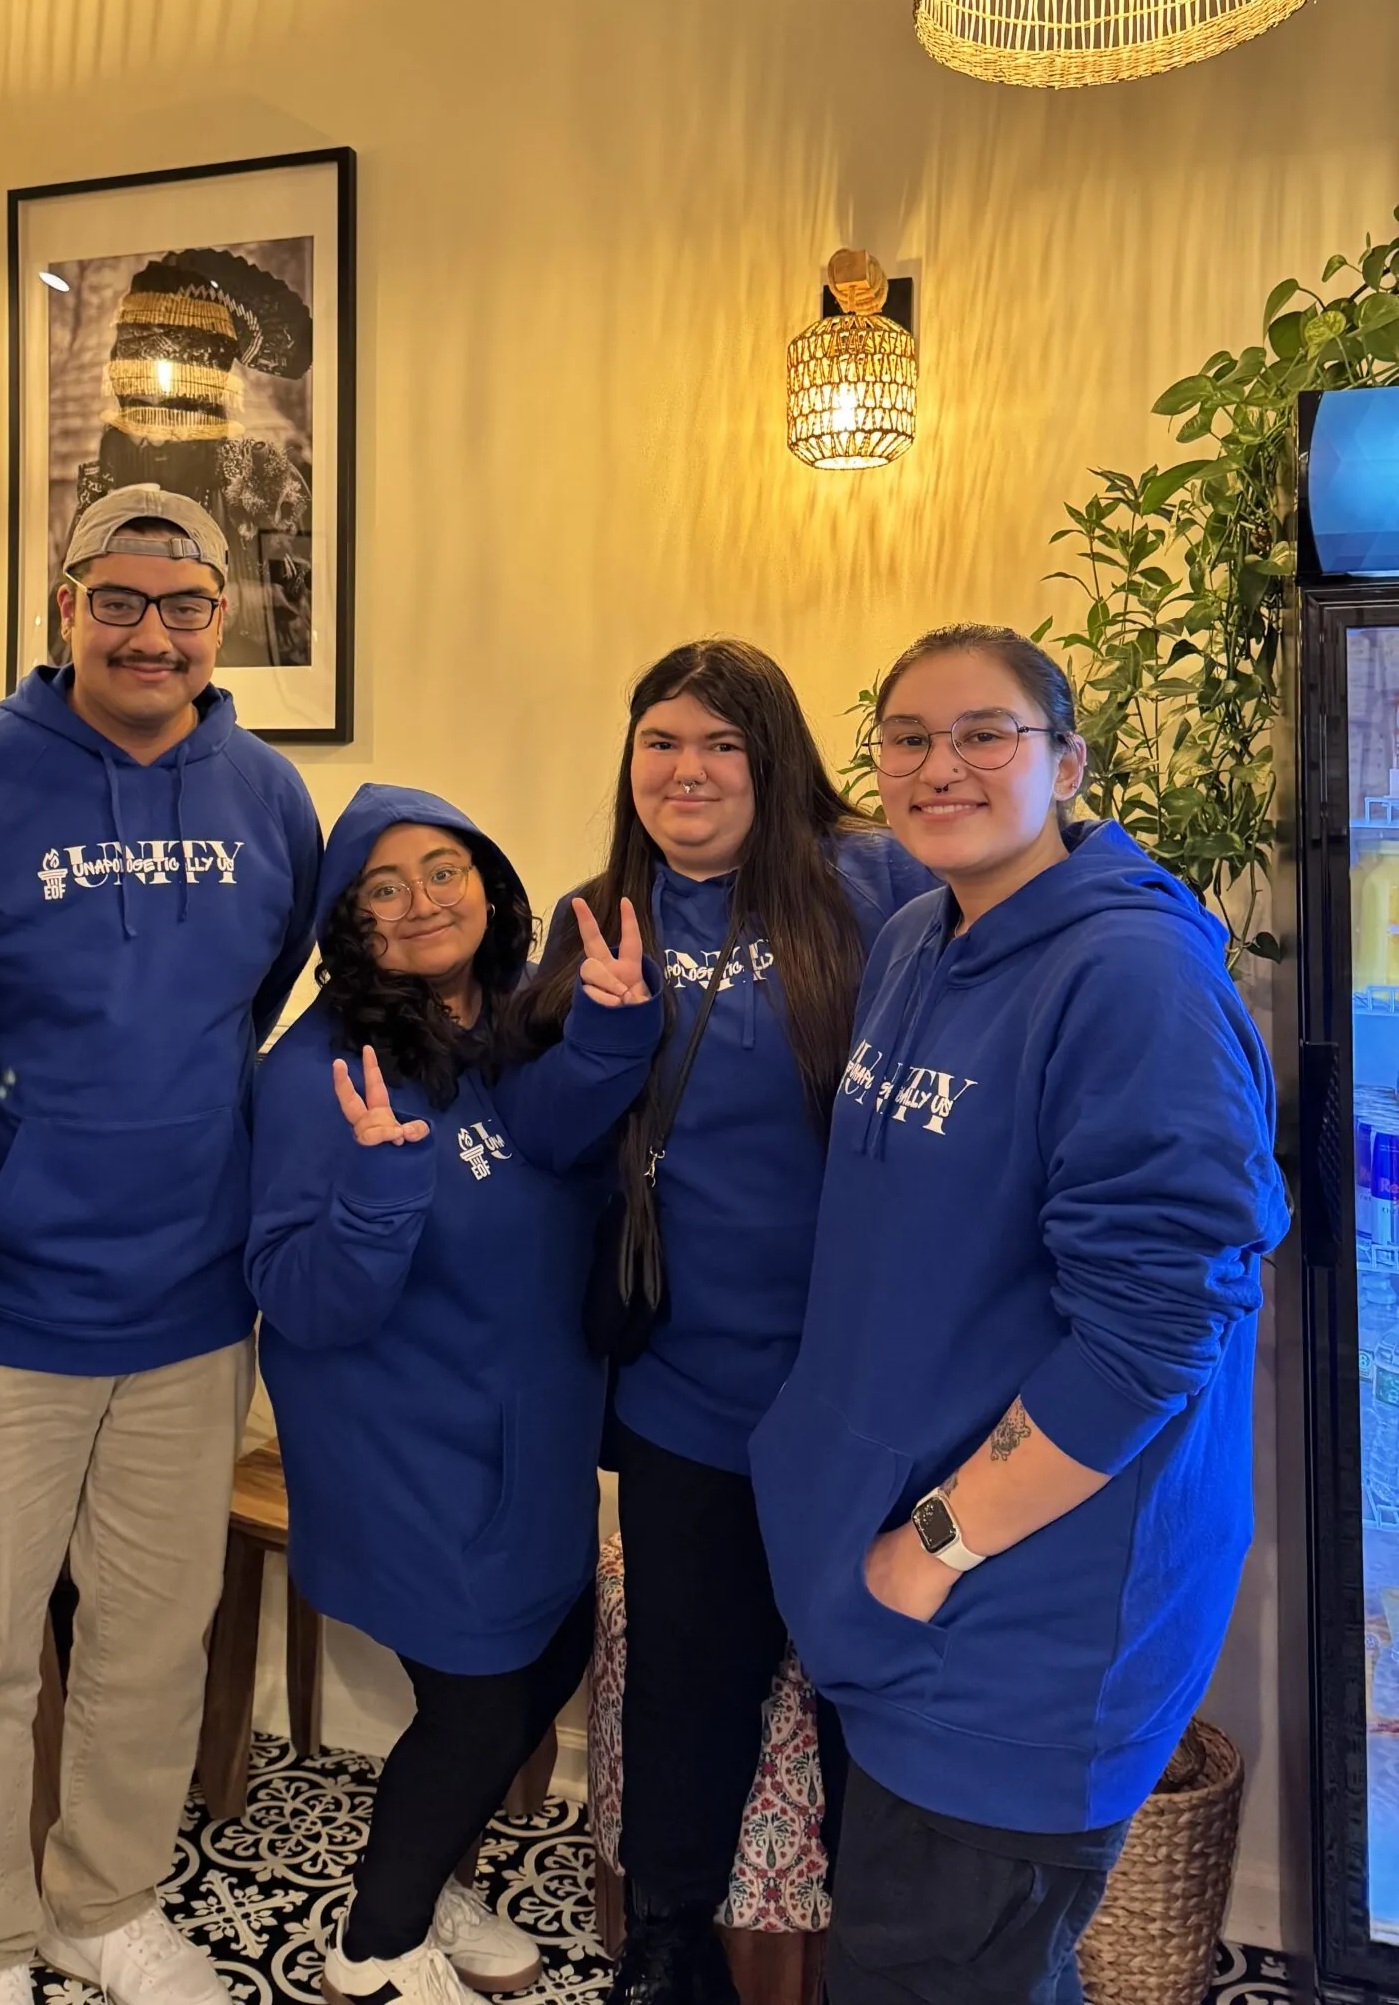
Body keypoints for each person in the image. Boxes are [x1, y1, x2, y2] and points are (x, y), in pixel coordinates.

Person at [750, 623, 1287, 2005]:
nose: (942, 766)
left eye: (985, 733)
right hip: (901, 1607)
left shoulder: (1135, 983)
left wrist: (932, 1546)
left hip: (1024, 1632)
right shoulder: (924, 932)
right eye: (908, 738)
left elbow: (1156, 1332)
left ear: (1067, 759)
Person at [0, 482, 323, 2005]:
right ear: (64, 607)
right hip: (0, 1304)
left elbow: (265, 992)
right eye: (118, 600)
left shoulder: (270, 796)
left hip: (195, 1302)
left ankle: (106, 1905)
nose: (151, 633)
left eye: (184, 606)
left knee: (154, 1640)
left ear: (225, 621)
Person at [519, 639, 935, 2005]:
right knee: (687, 1695)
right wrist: (604, 1035)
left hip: (861, 1403)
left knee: (871, 1693)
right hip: (685, 1399)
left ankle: (893, 1960)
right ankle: (667, 1947)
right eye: (660, 743)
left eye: (720, 744)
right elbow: (547, 1143)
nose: (686, 772)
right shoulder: (600, 917)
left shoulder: (873, 885)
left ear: (773, 759)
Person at [248, 787, 663, 2005]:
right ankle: (372, 1948)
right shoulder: (318, 1071)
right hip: (399, 1437)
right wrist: (376, 1197)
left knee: (552, 1652)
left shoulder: (515, 1032)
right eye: (382, 885)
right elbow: (300, 1296)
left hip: (527, 1430)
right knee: (480, 1703)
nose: (421, 900)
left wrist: (614, 1024)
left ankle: (421, 1875)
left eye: (444, 869)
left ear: (489, 884)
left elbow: (561, 1145)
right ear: (346, 920)